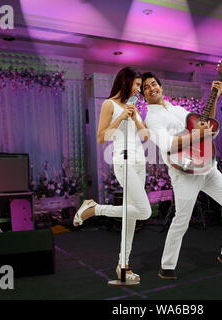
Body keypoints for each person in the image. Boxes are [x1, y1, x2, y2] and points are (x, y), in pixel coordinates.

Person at [141, 72, 222, 280]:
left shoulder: (177, 109)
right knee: (182, 220)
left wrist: (214, 97)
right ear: (144, 95)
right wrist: (198, 135)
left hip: (207, 166)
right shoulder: (151, 118)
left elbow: (204, 124)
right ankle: (167, 266)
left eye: (154, 83)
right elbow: (167, 144)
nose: (152, 88)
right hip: (184, 173)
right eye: (146, 87)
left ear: (161, 87)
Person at [74, 67, 151, 282]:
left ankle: (123, 266)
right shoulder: (110, 104)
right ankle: (95, 208)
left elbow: (145, 136)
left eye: (140, 86)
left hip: (139, 163)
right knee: (144, 211)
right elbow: (101, 137)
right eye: (137, 85)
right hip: (123, 162)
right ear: (125, 82)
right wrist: (121, 117)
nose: (139, 89)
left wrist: (135, 117)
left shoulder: (134, 107)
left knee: (132, 217)